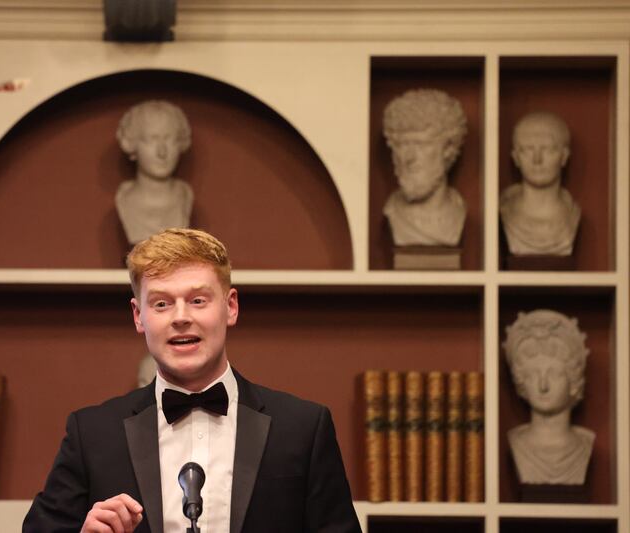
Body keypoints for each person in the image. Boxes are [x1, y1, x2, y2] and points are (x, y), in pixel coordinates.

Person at [23, 228, 361, 533]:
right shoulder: (91, 433)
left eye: (197, 300)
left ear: (231, 307)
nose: (181, 317)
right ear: (139, 316)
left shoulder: (303, 428)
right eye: (162, 303)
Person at [503, 309, 594, 485]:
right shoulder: (515, 442)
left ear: (573, 382)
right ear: (521, 382)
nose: (542, 386)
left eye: (554, 374)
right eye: (532, 375)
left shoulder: (585, 444)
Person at [382, 88, 468, 247]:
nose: (408, 158)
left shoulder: (459, 211)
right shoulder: (392, 211)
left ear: (448, 149)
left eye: (420, 144)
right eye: (401, 145)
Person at [500, 111, 581, 256]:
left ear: (564, 156)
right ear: (516, 158)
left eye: (548, 149)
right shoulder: (504, 213)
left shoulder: (573, 216)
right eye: (528, 149)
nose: (537, 160)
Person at [115, 101, 194, 245]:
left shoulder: (184, 195)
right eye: (152, 139)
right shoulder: (124, 199)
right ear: (132, 143)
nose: (162, 152)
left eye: (170, 139)